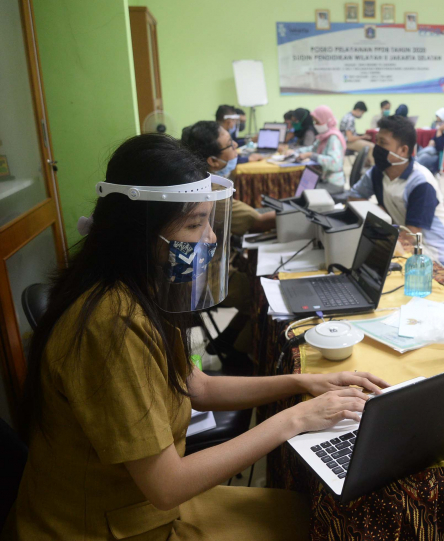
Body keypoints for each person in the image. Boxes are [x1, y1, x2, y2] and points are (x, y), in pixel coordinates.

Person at [3, 133, 389, 540]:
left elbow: (195, 386)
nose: (211, 238)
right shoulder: (112, 326)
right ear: (140, 232)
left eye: (209, 219)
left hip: (136, 507)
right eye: (194, 223)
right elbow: (167, 486)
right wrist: (296, 417)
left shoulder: (135, 289)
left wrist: (302, 382)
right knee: (315, 526)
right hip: (103, 528)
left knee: (303, 515)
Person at [182, 121, 276, 365]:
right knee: (262, 295)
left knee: (254, 278)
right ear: (213, 160)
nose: (237, 149)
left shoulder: (194, 180)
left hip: (202, 269)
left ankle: (228, 341)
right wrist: (300, 208)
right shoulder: (211, 193)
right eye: (230, 145)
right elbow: (258, 222)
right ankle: (239, 354)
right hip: (205, 278)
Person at [348, 115, 444, 276]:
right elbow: (353, 198)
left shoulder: (421, 183)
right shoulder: (378, 172)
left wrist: (380, 218)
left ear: (403, 150)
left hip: (439, 258)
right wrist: (380, 212)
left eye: (383, 143)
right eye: (377, 141)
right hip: (406, 250)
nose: (376, 148)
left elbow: (410, 237)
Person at [287, 105, 347, 194]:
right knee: (296, 185)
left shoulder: (333, 138)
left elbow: (335, 163)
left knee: (301, 192)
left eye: (317, 122)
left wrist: (311, 155)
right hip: (322, 178)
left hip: (332, 183)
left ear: (326, 120)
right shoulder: (324, 136)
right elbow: (312, 148)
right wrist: (296, 151)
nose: (315, 125)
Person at [415, 107, 444, 174]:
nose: (438, 124)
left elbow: (440, 147)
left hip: (443, 159)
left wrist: (439, 131)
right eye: (437, 121)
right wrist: (433, 140)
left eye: (440, 121)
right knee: (422, 150)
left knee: (424, 157)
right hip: (436, 154)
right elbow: (434, 140)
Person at [339, 101, 374, 167]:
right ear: (358, 110)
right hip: (347, 143)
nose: (362, 115)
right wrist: (363, 137)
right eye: (362, 113)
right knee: (371, 146)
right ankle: (374, 169)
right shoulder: (350, 119)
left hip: (345, 141)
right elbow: (350, 138)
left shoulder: (347, 116)